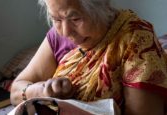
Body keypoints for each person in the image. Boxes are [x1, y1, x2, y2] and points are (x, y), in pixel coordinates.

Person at [10, 0, 167, 114]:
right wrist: (43, 91)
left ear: (103, 6)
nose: (65, 32)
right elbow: (16, 91)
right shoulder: (57, 37)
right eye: (56, 19)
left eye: (75, 19)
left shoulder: (136, 40)